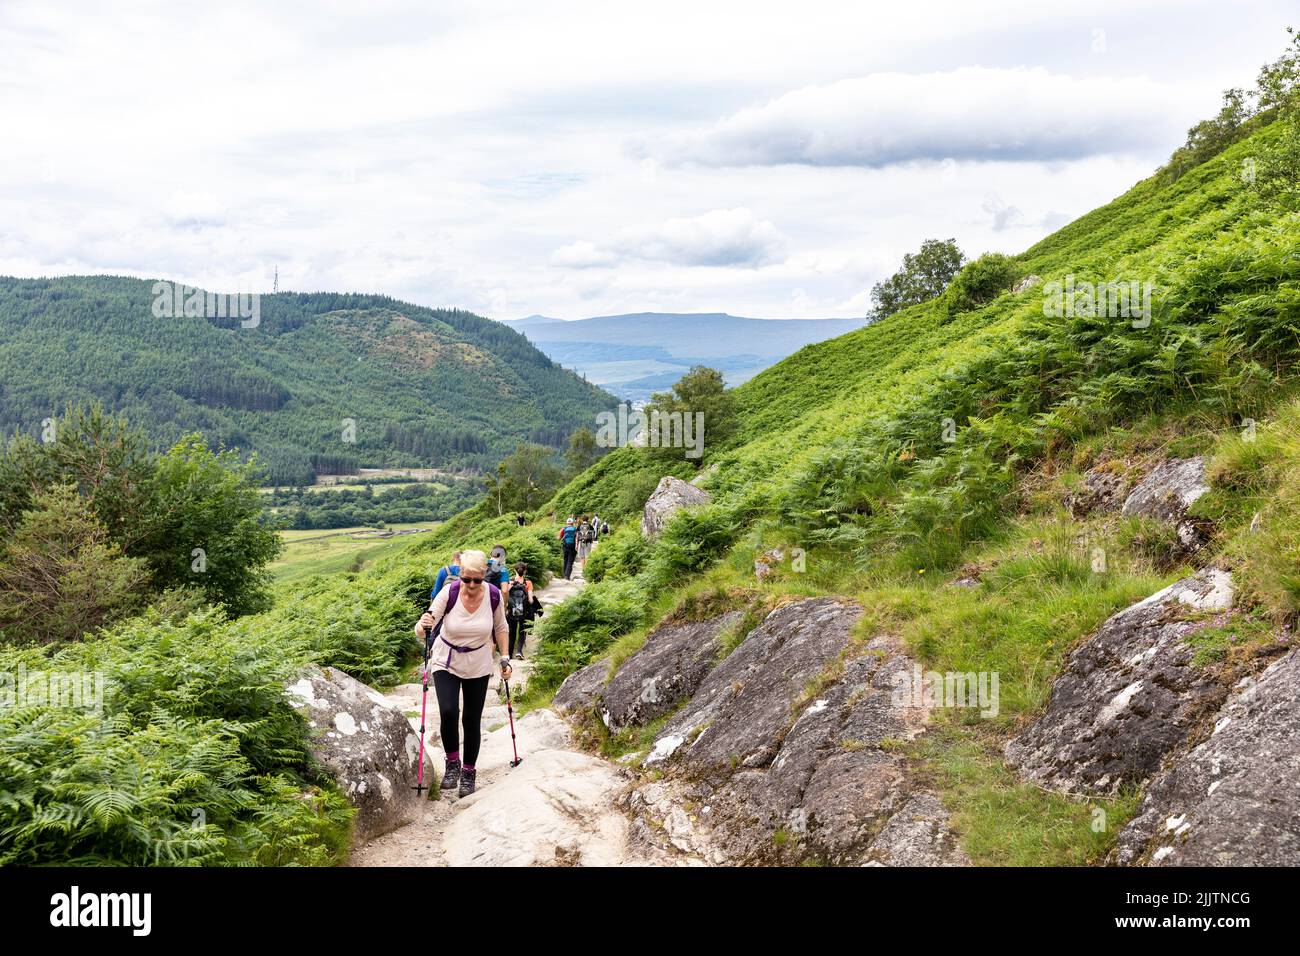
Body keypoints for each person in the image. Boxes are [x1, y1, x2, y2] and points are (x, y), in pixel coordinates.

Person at [414, 550, 510, 798]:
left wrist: (505, 657)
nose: (470, 585)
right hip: (446, 657)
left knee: (471, 719)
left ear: (484, 576)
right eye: (466, 579)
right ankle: (452, 764)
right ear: (461, 575)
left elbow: (501, 627)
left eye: (477, 580)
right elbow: (426, 624)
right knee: (448, 711)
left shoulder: (493, 595)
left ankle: (469, 772)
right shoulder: (450, 592)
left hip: (478, 661)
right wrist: (422, 625)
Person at [505, 561, 543, 659]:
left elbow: (505, 595)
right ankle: (519, 652)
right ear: (525, 571)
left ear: (514, 570)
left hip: (511, 612)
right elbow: (530, 600)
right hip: (523, 612)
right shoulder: (528, 583)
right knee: (522, 631)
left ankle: (509, 654)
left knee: (512, 632)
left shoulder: (509, 582)